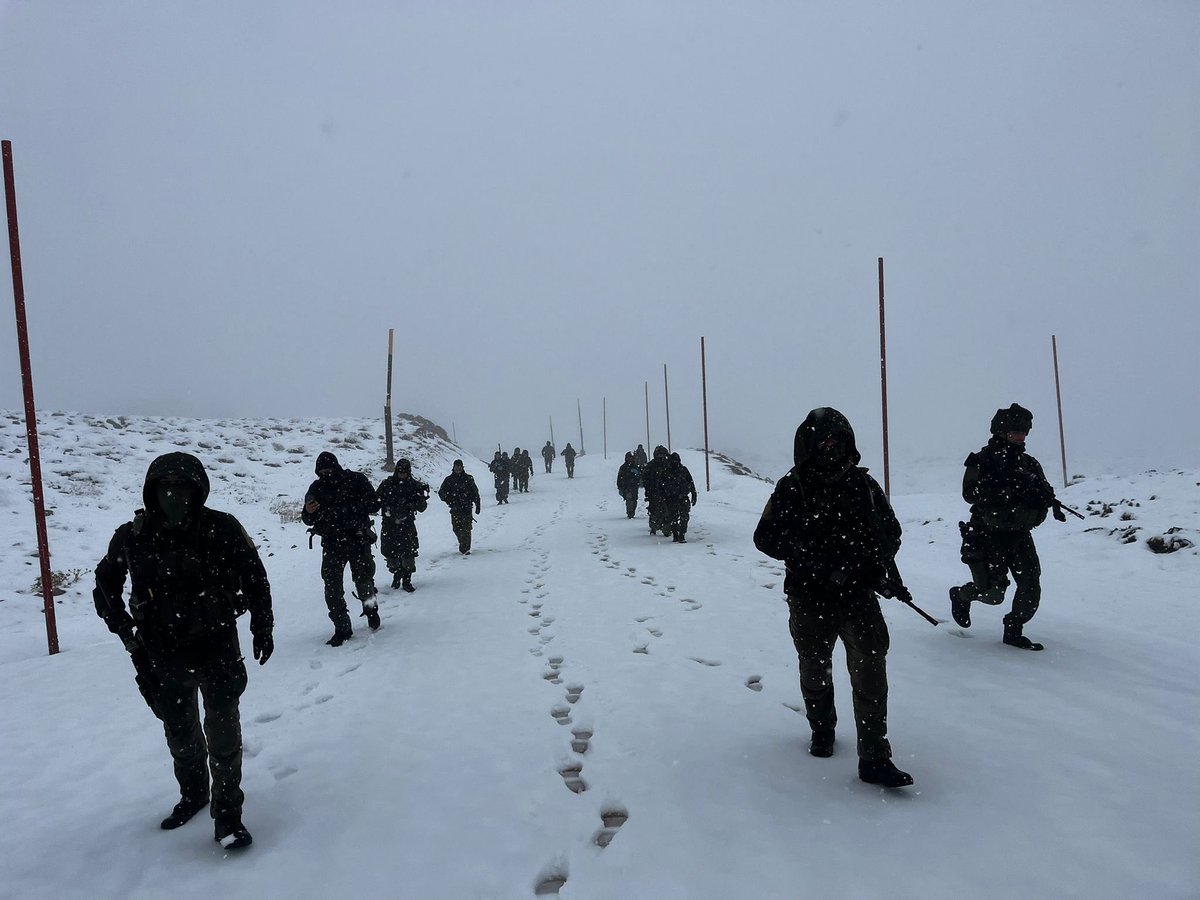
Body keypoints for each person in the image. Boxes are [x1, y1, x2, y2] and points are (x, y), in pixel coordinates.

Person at [93, 451, 273, 849]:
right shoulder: (133, 535)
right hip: (162, 651)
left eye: (183, 487)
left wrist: (263, 625)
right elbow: (105, 585)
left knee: (224, 737)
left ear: (199, 491)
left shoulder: (221, 528)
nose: (174, 495)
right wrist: (125, 632)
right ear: (152, 491)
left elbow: (255, 575)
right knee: (180, 734)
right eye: (165, 487)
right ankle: (193, 794)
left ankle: (228, 816)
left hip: (217, 646)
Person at [753, 407, 913, 788]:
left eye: (837, 441)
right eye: (823, 442)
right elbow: (766, 538)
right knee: (814, 667)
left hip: (857, 594)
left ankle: (874, 755)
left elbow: (890, 533)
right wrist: (818, 562)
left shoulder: (864, 486)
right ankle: (821, 728)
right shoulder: (792, 486)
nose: (831, 448)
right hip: (810, 595)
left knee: (871, 668)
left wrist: (869, 567)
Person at [949, 403, 1066, 651]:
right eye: (1015, 432)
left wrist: (1040, 498)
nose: (1020, 437)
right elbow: (969, 494)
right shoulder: (981, 460)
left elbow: (1044, 492)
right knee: (992, 593)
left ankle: (1014, 630)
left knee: (1031, 584)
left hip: (1020, 534)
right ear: (1001, 432)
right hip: (988, 534)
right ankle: (961, 595)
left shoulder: (1029, 464)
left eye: (1023, 432)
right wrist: (1002, 491)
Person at [302, 451, 380, 646]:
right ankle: (342, 627)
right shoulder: (316, 487)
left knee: (364, 582)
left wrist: (348, 509)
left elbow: (374, 503)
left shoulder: (356, 480)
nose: (326, 473)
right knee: (332, 587)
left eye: (329, 469)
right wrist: (308, 512)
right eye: (322, 471)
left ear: (336, 466)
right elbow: (307, 518)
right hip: (332, 543)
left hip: (357, 539)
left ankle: (371, 611)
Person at [376, 458, 429, 592]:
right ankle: (397, 573)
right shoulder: (387, 484)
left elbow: (422, 507)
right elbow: (375, 501)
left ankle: (406, 580)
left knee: (409, 556)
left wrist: (421, 497)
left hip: (407, 525)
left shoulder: (414, 486)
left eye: (405, 473)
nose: (402, 475)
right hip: (389, 525)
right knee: (391, 557)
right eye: (400, 473)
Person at [439, 459, 481, 554]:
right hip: (455, 508)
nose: (458, 468)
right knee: (456, 528)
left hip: (466, 508)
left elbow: (475, 492)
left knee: (466, 529)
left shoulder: (468, 478)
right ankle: (462, 543)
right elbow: (441, 492)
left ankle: (465, 548)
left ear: (462, 467)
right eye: (456, 466)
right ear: (453, 467)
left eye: (459, 466)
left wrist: (478, 504)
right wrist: (448, 499)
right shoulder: (448, 480)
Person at [662, 451, 698, 542]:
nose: (675, 462)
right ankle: (675, 534)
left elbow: (690, 482)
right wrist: (662, 498)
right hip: (671, 498)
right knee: (672, 517)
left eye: (676, 460)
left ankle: (682, 534)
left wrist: (694, 494)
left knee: (684, 517)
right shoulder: (666, 471)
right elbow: (661, 486)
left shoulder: (683, 470)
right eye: (673, 460)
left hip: (683, 497)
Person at [641, 445, 670, 535]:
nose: (661, 457)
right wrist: (649, 489)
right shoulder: (651, 465)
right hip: (654, 492)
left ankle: (666, 527)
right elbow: (645, 478)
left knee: (667, 511)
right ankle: (655, 526)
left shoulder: (668, 464)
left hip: (667, 492)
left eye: (662, 455)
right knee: (655, 510)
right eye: (659, 455)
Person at [616, 451, 642, 518]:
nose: (630, 459)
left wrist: (637, 474)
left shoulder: (635, 466)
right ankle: (630, 513)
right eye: (628, 458)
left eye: (631, 458)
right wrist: (620, 487)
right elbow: (619, 477)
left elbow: (641, 475)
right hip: (626, 486)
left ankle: (632, 512)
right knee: (629, 499)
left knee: (634, 500)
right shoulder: (623, 467)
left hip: (634, 486)